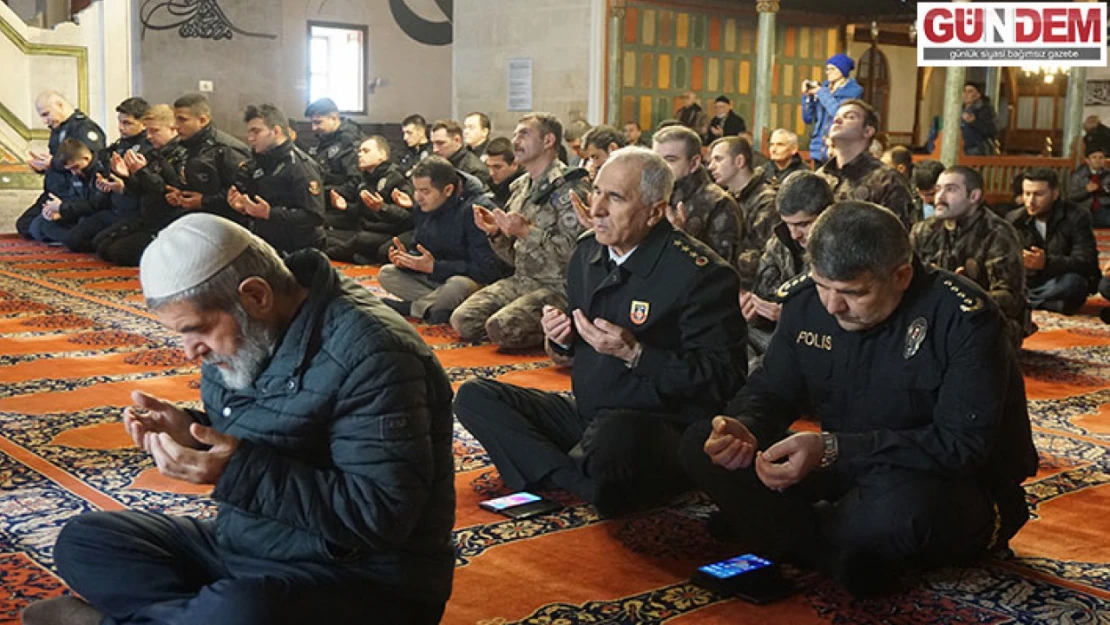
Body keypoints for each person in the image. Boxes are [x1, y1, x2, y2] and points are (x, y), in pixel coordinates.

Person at [20, 213, 456, 625]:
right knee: (87, 541)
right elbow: (271, 432)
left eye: (196, 329)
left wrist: (236, 470)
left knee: (244, 611)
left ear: (256, 295)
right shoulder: (252, 330)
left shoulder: (375, 354)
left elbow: (380, 514)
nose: (190, 350)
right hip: (252, 542)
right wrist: (190, 431)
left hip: (364, 579)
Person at [681, 201, 1037, 597]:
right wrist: (743, 428)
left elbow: (961, 448)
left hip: (948, 484)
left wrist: (833, 449)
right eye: (822, 286)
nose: (832, 306)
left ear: (901, 275)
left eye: (853, 293)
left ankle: (782, 529)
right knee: (700, 441)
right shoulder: (807, 303)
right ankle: (831, 552)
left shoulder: (963, 318)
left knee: (894, 513)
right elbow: (773, 388)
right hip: (849, 468)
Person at [454, 147, 746, 517]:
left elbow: (724, 381)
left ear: (655, 211)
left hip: (657, 424)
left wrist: (636, 354)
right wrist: (561, 337)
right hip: (590, 413)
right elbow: (576, 349)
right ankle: (581, 482)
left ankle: (567, 471)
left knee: (612, 441)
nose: (597, 209)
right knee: (474, 396)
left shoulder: (699, 274)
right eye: (597, 192)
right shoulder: (588, 254)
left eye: (616, 197)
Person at [450, 113, 590, 350]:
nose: (515, 141)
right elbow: (514, 257)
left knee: (502, 328)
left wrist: (526, 231)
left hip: (558, 287)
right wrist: (496, 233)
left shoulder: (570, 187)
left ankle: (561, 333)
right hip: (523, 279)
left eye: (524, 134)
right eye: (515, 134)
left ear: (548, 141)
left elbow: (574, 256)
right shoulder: (521, 187)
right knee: (463, 320)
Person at [377, 156, 508, 324]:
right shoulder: (425, 206)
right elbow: (422, 248)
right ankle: (437, 308)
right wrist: (409, 261)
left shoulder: (476, 210)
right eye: (416, 190)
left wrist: (435, 267)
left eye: (425, 191)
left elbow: (489, 271)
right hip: (438, 280)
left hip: (471, 283)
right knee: (388, 274)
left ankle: (414, 308)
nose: (417, 197)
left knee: (457, 286)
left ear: (447, 190)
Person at [910, 166, 1029, 347]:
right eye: (938, 189)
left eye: (950, 190)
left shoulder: (997, 233)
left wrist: (967, 293)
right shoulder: (923, 230)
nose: (939, 197)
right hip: (933, 313)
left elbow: (1010, 298)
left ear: (974, 196)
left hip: (980, 317)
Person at [746, 171, 833, 351]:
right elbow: (764, 294)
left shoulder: (844, 247)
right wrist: (755, 313)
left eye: (803, 224)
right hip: (779, 337)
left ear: (828, 213)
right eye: (788, 224)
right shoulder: (780, 242)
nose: (794, 235)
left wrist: (792, 316)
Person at [95, 104, 189, 266]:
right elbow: (142, 190)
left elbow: (165, 191)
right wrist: (128, 177)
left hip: (168, 220)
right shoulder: (154, 153)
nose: (149, 136)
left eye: (155, 131)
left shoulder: (182, 154)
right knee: (101, 244)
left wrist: (142, 171)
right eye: (147, 131)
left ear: (173, 129)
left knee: (119, 252)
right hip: (147, 216)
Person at [228, 104, 325, 253]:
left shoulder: (300, 165)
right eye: (249, 133)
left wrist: (269, 214)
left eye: (257, 132)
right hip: (266, 242)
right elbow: (257, 204)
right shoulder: (257, 163)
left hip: (298, 247)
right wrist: (243, 207)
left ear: (276, 131)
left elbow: (314, 216)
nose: (251, 138)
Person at [1006, 168, 1099, 315]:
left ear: (1055, 194)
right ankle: (1045, 303)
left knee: (1074, 283)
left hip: (1060, 280)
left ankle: (1026, 301)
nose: (1031, 201)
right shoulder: (1014, 219)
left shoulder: (1077, 216)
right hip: (1030, 282)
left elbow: (1088, 263)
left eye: (1038, 194)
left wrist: (1046, 263)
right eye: (1027, 194)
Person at [16, 89, 106, 238]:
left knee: (38, 227)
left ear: (60, 105)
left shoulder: (84, 129)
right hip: (54, 191)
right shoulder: (57, 129)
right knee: (25, 225)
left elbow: (86, 164)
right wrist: (42, 167)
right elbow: (57, 163)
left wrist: (53, 163)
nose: (45, 121)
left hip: (73, 194)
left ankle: (77, 233)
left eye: (46, 114)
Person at [653, 126, 742, 271]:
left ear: (694, 163)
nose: (660, 168)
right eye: (656, 160)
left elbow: (721, 271)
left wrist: (680, 239)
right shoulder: (652, 195)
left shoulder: (718, 203)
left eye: (670, 160)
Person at [818, 99, 917, 229]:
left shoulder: (887, 180)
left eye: (850, 117)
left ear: (868, 131)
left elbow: (899, 236)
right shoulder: (821, 178)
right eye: (836, 117)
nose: (837, 121)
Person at [324, 135, 414, 264]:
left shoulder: (396, 178)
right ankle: (358, 256)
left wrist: (382, 208)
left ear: (382, 155)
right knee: (323, 233)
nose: (360, 155)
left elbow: (407, 217)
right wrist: (345, 207)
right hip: (365, 228)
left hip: (388, 233)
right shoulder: (364, 179)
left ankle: (330, 254)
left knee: (360, 240)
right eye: (359, 151)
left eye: (366, 151)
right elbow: (361, 211)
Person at [705, 135, 777, 288]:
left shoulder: (766, 200)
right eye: (710, 161)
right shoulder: (725, 198)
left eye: (718, 159)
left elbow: (762, 255)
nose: (710, 167)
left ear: (739, 161)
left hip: (753, 288)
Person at [168, 93, 251, 224]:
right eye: (175, 119)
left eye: (182, 120)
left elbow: (242, 191)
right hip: (195, 219)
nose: (175, 126)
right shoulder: (183, 146)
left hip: (226, 224)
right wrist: (181, 194)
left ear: (202, 120)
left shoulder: (226, 149)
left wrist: (204, 201)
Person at [26, 139, 109, 250]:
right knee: (38, 225)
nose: (74, 172)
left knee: (75, 239)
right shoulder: (77, 171)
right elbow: (73, 198)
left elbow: (96, 204)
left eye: (75, 167)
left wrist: (62, 207)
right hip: (79, 213)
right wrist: (61, 213)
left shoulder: (102, 170)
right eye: (70, 169)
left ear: (86, 158)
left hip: (98, 214)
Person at [801, 54, 863, 164]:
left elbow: (838, 113)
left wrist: (821, 92)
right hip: (818, 148)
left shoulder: (854, 91)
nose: (828, 72)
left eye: (832, 69)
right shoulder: (824, 89)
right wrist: (807, 97)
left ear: (842, 71)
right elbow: (808, 118)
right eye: (827, 68)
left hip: (837, 147)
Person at [303, 97, 361, 207]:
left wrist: (321, 193)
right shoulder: (326, 139)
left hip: (341, 207)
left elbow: (355, 182)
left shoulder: (349, 141)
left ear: (334, 118)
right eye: (312, 123)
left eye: (318, 122)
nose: (314, 128)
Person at [429, 118, 491, 189]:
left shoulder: (476, 170)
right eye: (433, 144)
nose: (435, 149)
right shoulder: (434, 165)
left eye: (440, 143)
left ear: (457, 141)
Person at [1068, 144, 1110, 227]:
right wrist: (1086, 190)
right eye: (1094, 157)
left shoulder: (1108, 174)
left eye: (1101, 157)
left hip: (1105, 207)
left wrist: (1105, 189)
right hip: (1084, 208)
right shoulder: (1078, 175)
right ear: (1087, 160)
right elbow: (1071, 196)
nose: (1098, 160)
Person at [485, 137, 523, 208]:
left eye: (497, 167)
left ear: (514, 164)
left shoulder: (525, 190)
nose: (491, 173)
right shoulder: (491, 187)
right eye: (489, 166)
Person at [961, 82, 998, 156]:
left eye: (970, 91)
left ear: (978, 95)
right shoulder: (960, 110)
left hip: (977, 150)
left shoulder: (985, 109)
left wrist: (974, 122)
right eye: (964, 91)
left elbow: (992, 130)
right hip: (961, 149)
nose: (966, 94)